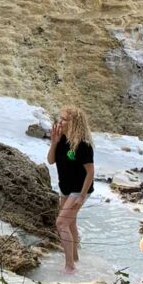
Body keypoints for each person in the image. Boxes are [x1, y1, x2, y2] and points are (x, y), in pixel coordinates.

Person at [47, 106, 94, 274]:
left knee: (61, 223)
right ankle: (75, 258)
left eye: (64, 119)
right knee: (70, 223)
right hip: (65, 188)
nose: (60, 121)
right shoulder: (61, 140)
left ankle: (69, 266)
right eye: (60, 118)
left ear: (74, 123)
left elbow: (90, 172)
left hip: (79, 190)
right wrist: (54, 143)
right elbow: (51, 161)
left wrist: (82, 195)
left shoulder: (83, 145)